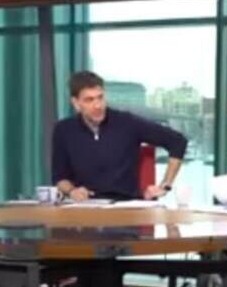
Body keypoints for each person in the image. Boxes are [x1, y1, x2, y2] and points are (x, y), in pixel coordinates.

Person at [52, 71, 189, 201]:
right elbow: (60, 178)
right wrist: (72, 191)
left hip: (124, 204)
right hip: (83, 207)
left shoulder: (127, 123)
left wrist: (165, 185)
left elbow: (178, 142)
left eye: (100, 97)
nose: (98, 105)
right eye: (89, 100)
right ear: (76, 103)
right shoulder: (63, 130)